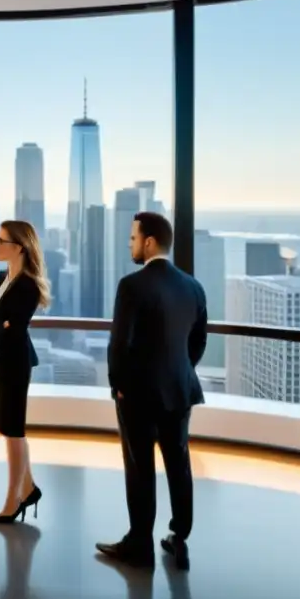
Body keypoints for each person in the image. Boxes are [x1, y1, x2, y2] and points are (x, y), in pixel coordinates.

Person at [97, 212, 207, 570]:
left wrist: (119, 387)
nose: (130, 244)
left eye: (132, 238)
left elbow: (119, 345)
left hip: (139, 394)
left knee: (139, 466)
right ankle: (179, 537)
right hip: (179, 389)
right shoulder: (193, 286)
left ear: (148, 242)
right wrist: (178, 371)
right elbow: (197, 343)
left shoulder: (132, 286)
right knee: (179, 463)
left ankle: (140, 543)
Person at [0, 220, 50, 524]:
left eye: (0, 240)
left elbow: (13, 329)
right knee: (6, 427)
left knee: (13, 430)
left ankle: (13, 500)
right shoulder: (1, 277)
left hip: (14, 362)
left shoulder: (28, 285)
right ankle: (29, 487)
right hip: (0, 360)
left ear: (18, 246)